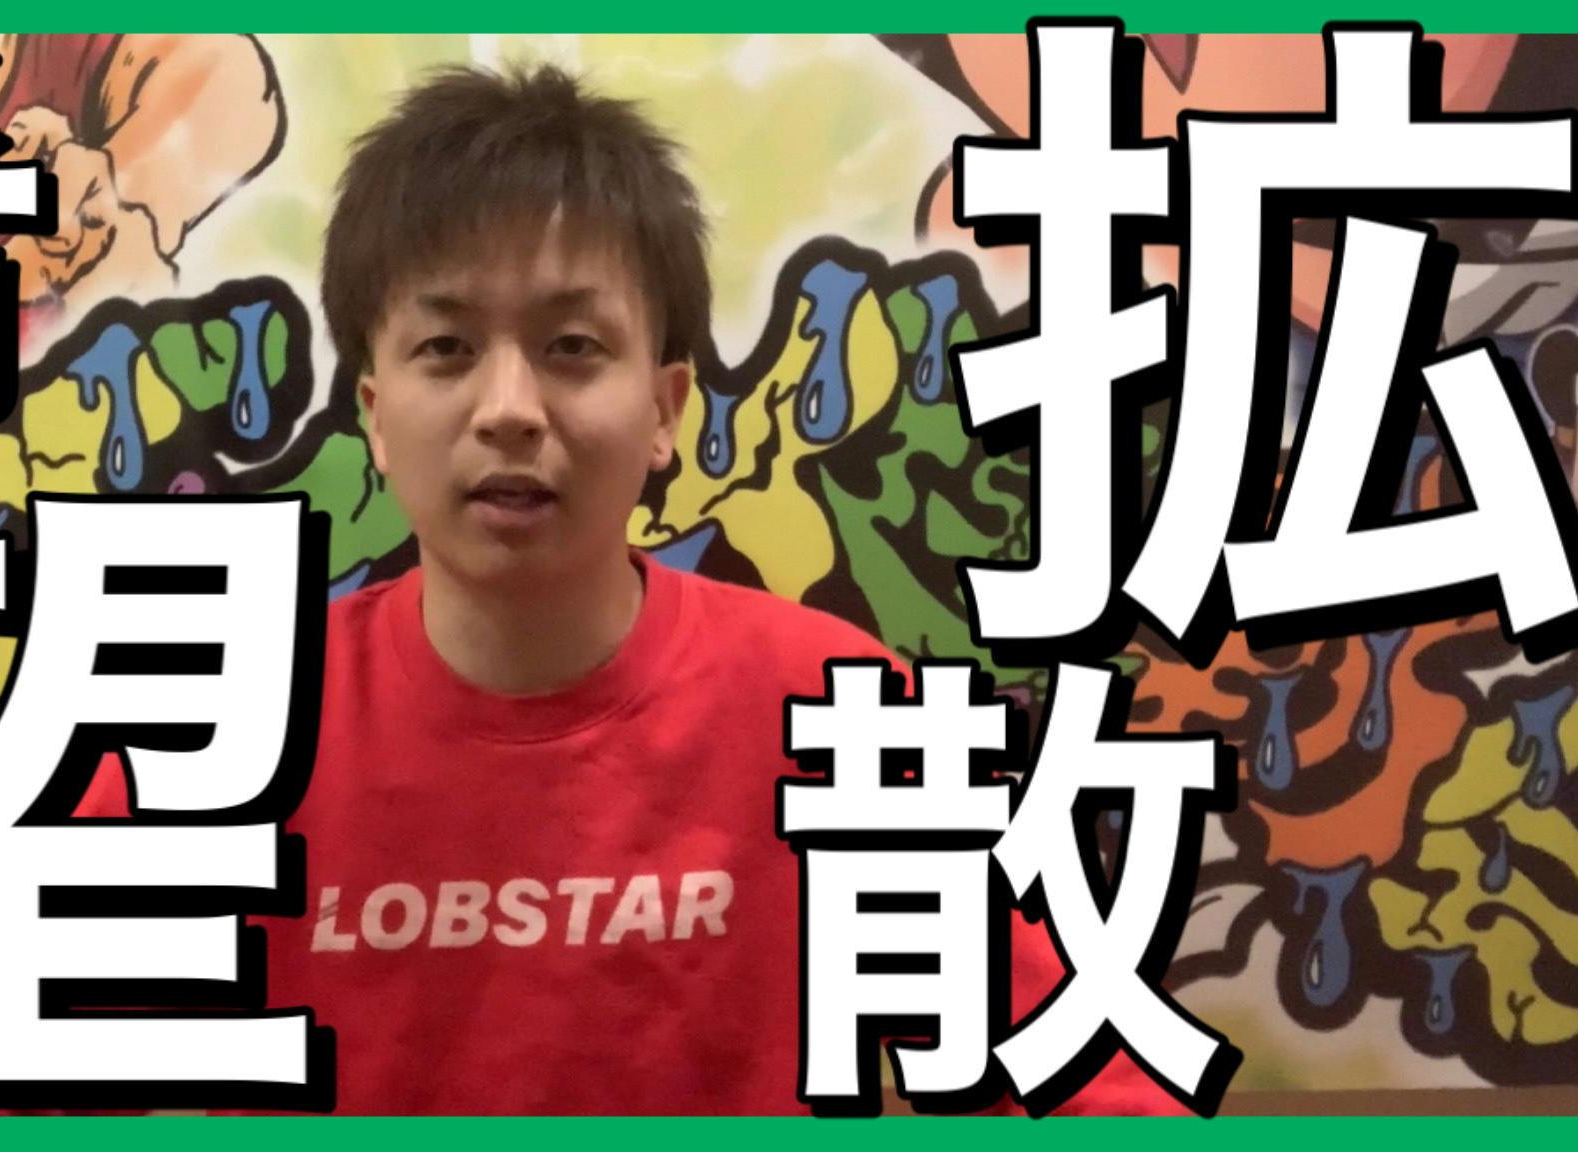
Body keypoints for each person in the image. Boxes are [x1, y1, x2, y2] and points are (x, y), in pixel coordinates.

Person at [77, 62, 1185, 1116]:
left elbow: (1080, 1078)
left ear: (664, 409)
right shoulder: (213, 748)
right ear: (372, 412)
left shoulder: (836, 707)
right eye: (447, 348)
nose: (508, 409)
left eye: (570, 346)